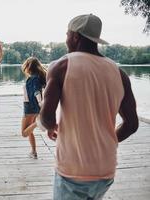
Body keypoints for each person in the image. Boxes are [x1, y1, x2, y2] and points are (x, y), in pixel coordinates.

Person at [39, 14, 139, 200]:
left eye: (67, 34)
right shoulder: (119, 73)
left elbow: (46, 118)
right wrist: (108, 142)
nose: (66, 38)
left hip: (73, 170)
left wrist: (51, 127)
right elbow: (132, 124)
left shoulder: (61, 66)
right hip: (106, 170)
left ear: (75, 36)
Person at [20, 57, 46, 159]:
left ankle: (38, 123)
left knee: (24, 133)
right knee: (29, 131)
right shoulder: (38, 77)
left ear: (28, 66)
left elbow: (36, 91)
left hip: (30, 107)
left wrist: (40, 103)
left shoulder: (33, 78)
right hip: (35, 108)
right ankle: (34, 152)